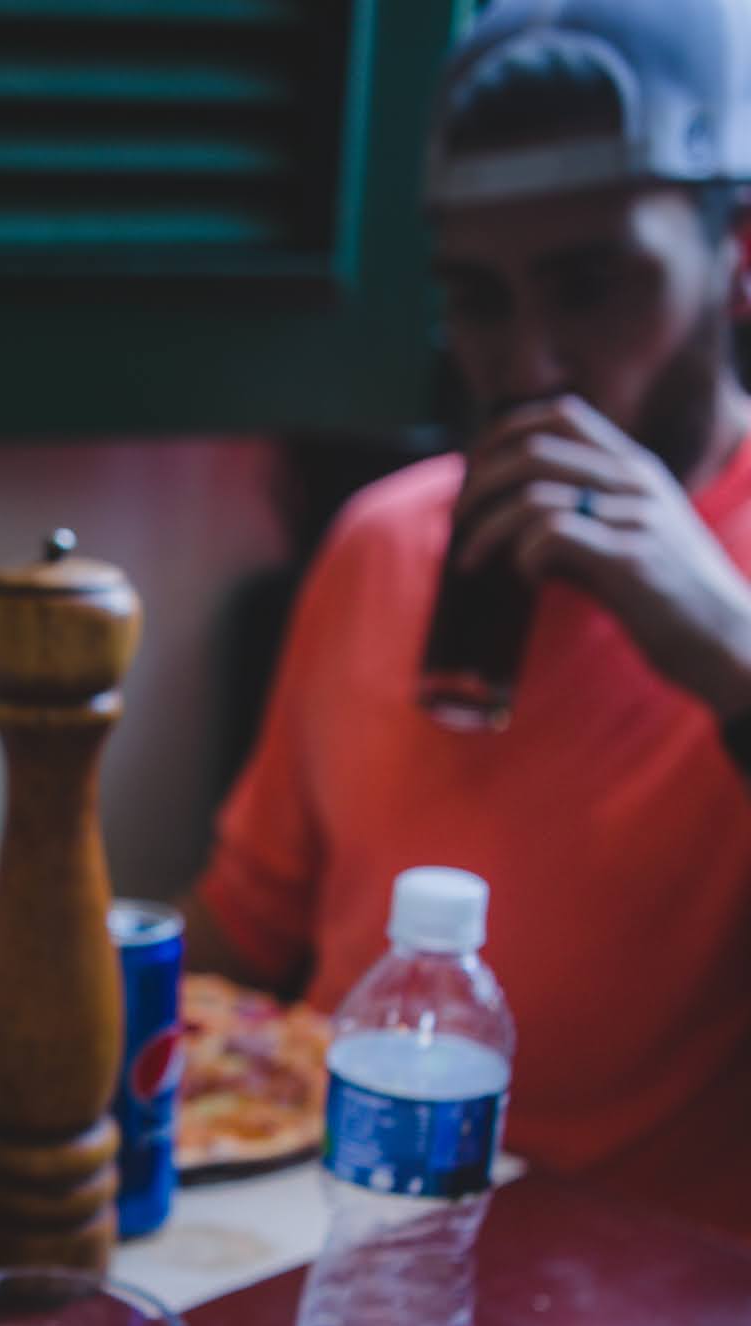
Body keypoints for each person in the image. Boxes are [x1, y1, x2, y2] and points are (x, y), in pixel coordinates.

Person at [181, 0, 751, 1240]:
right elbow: (241, 935)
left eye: (592, 287)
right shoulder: (386, 540)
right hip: (327, 1234)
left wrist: (725, 647)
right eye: (480, 303)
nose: (528, 366)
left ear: (738, 253)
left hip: (650, 1321)